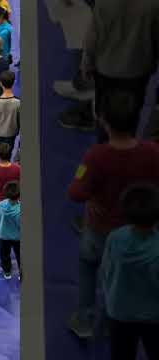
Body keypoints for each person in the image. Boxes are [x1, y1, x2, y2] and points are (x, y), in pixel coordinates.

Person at [66, 89, 159, 339]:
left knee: (88, 266)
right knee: (127, 274)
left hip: (100, 228)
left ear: (104, 121)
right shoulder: (152, 152)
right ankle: (116, 314)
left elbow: (76, 192)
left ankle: (85, 320)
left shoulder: (96, 156)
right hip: (142, 229)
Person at [77, 0, 159, 142]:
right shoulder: (153, 4)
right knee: (132, 114)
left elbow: (92, 39)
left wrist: (86, 64)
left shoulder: (104, 3)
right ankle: (127, 147)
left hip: (106, 70)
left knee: (103, 113)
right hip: (137, 71)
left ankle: (104, 145)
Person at [101, 184, 159, 360]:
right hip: (153, 316)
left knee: (121, 355)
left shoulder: (115, 237)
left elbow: (105, 270)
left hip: (118, 312)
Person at [0, 180, 21, 280]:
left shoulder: (1, 204)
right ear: (19, 195)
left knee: (4, 254)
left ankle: (7, 271)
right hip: (17, 237)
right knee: (20, 255)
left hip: (3, 235)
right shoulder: (20, 210)